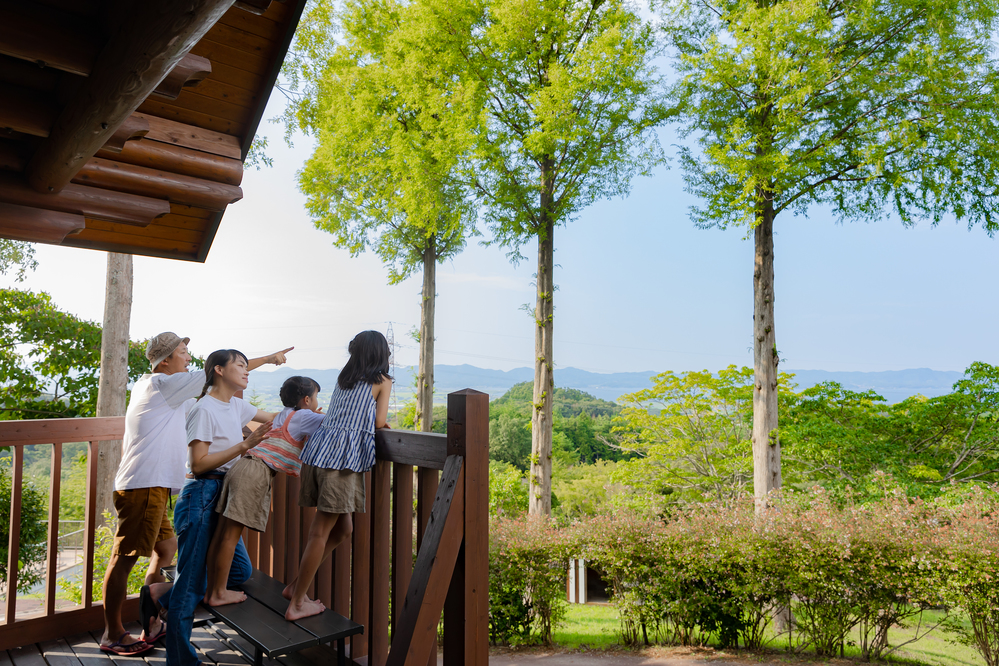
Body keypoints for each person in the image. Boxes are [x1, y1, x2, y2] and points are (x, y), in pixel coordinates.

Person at [100, 333, 291, 656]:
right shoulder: (161, 385)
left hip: (158, 486)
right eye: (183, 353)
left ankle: (156, 605)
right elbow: (215, 372)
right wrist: (269, 359)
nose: (188, 358)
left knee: (166, 550)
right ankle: (113, 633)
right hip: (144, 484)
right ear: (165, 361)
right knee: (125, 559)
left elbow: (221, 396)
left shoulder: (175, 395)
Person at [158, 349, 279, 666]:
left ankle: (159, 596)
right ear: (219, 371)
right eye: (240, 365)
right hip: (201, 494)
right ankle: (182, 661)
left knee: (240, 571)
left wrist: (325, 417)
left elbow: (275, 419)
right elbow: (198, 465)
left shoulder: (236, 404)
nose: (246, 370)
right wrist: (244, 446)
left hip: (224, 494)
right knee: (192, 584)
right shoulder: (204, 409)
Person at [283, 331, 392, 621]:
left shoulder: (345, 378)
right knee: (320, 532)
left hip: (319, 453)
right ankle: (296, 603)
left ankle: (295, 586)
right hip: (341, 461)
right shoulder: (382, 381)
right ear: (381, 353)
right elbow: (380, 421)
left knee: (343, 530)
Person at [203, 376, 325, 606]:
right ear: (307, 399)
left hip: (242, 467)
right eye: (316, 397)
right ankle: (217, 593)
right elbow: (336, 424)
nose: (316, 402)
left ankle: (213, 590)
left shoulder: (283, 414)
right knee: (230, 536)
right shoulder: (304, 415)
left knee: (221, 534)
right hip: (255, 472)